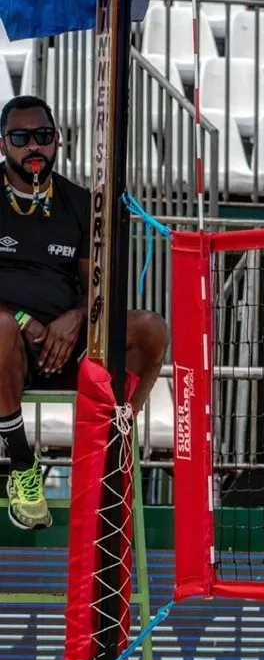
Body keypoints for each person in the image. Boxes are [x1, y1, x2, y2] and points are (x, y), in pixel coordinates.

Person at [0, 95, 168, 530]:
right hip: (7, 345)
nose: (33, 146)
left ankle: (114, 448)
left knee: (150, 329)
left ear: (57, 140)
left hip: (69, 343)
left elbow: (98, 285)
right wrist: (23, 320)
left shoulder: (80, 203)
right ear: (3, 145)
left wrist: (77, 317)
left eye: (42, 136)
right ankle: (22, 467)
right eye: (21, 137)